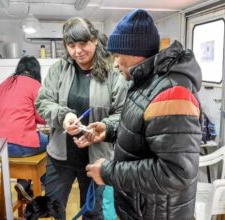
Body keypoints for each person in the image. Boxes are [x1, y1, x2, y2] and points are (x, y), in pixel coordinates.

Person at [79, 9, 203, 219]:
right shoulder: (148, 82)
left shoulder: (173, 93)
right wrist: (110, 130)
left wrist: (109, 172)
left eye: (118, 56)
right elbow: (148, 131)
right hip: (142, 209)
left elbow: (175, 172)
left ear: (135, 53)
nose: (116, 63)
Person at [34, 17, 127, 220]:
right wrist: (63, 115)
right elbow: (43, 102)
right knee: (51, 211)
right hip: (60, 158)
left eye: (83, 43)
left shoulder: (112, 73)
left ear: (94, 40)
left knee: (93, 212)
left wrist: (104, 126)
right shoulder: (59, 69)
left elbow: (123, 113)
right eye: (71, 45)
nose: (77, 51)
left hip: (96, 158)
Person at [0, 56, 48, 201]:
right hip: (20, 144)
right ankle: (42, 184)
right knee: (52, 144)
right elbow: (42, 117)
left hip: (0, 147)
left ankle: (23, 182)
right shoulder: (34, 85)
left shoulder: (4, 84)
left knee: (32, 140)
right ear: (36, 71)